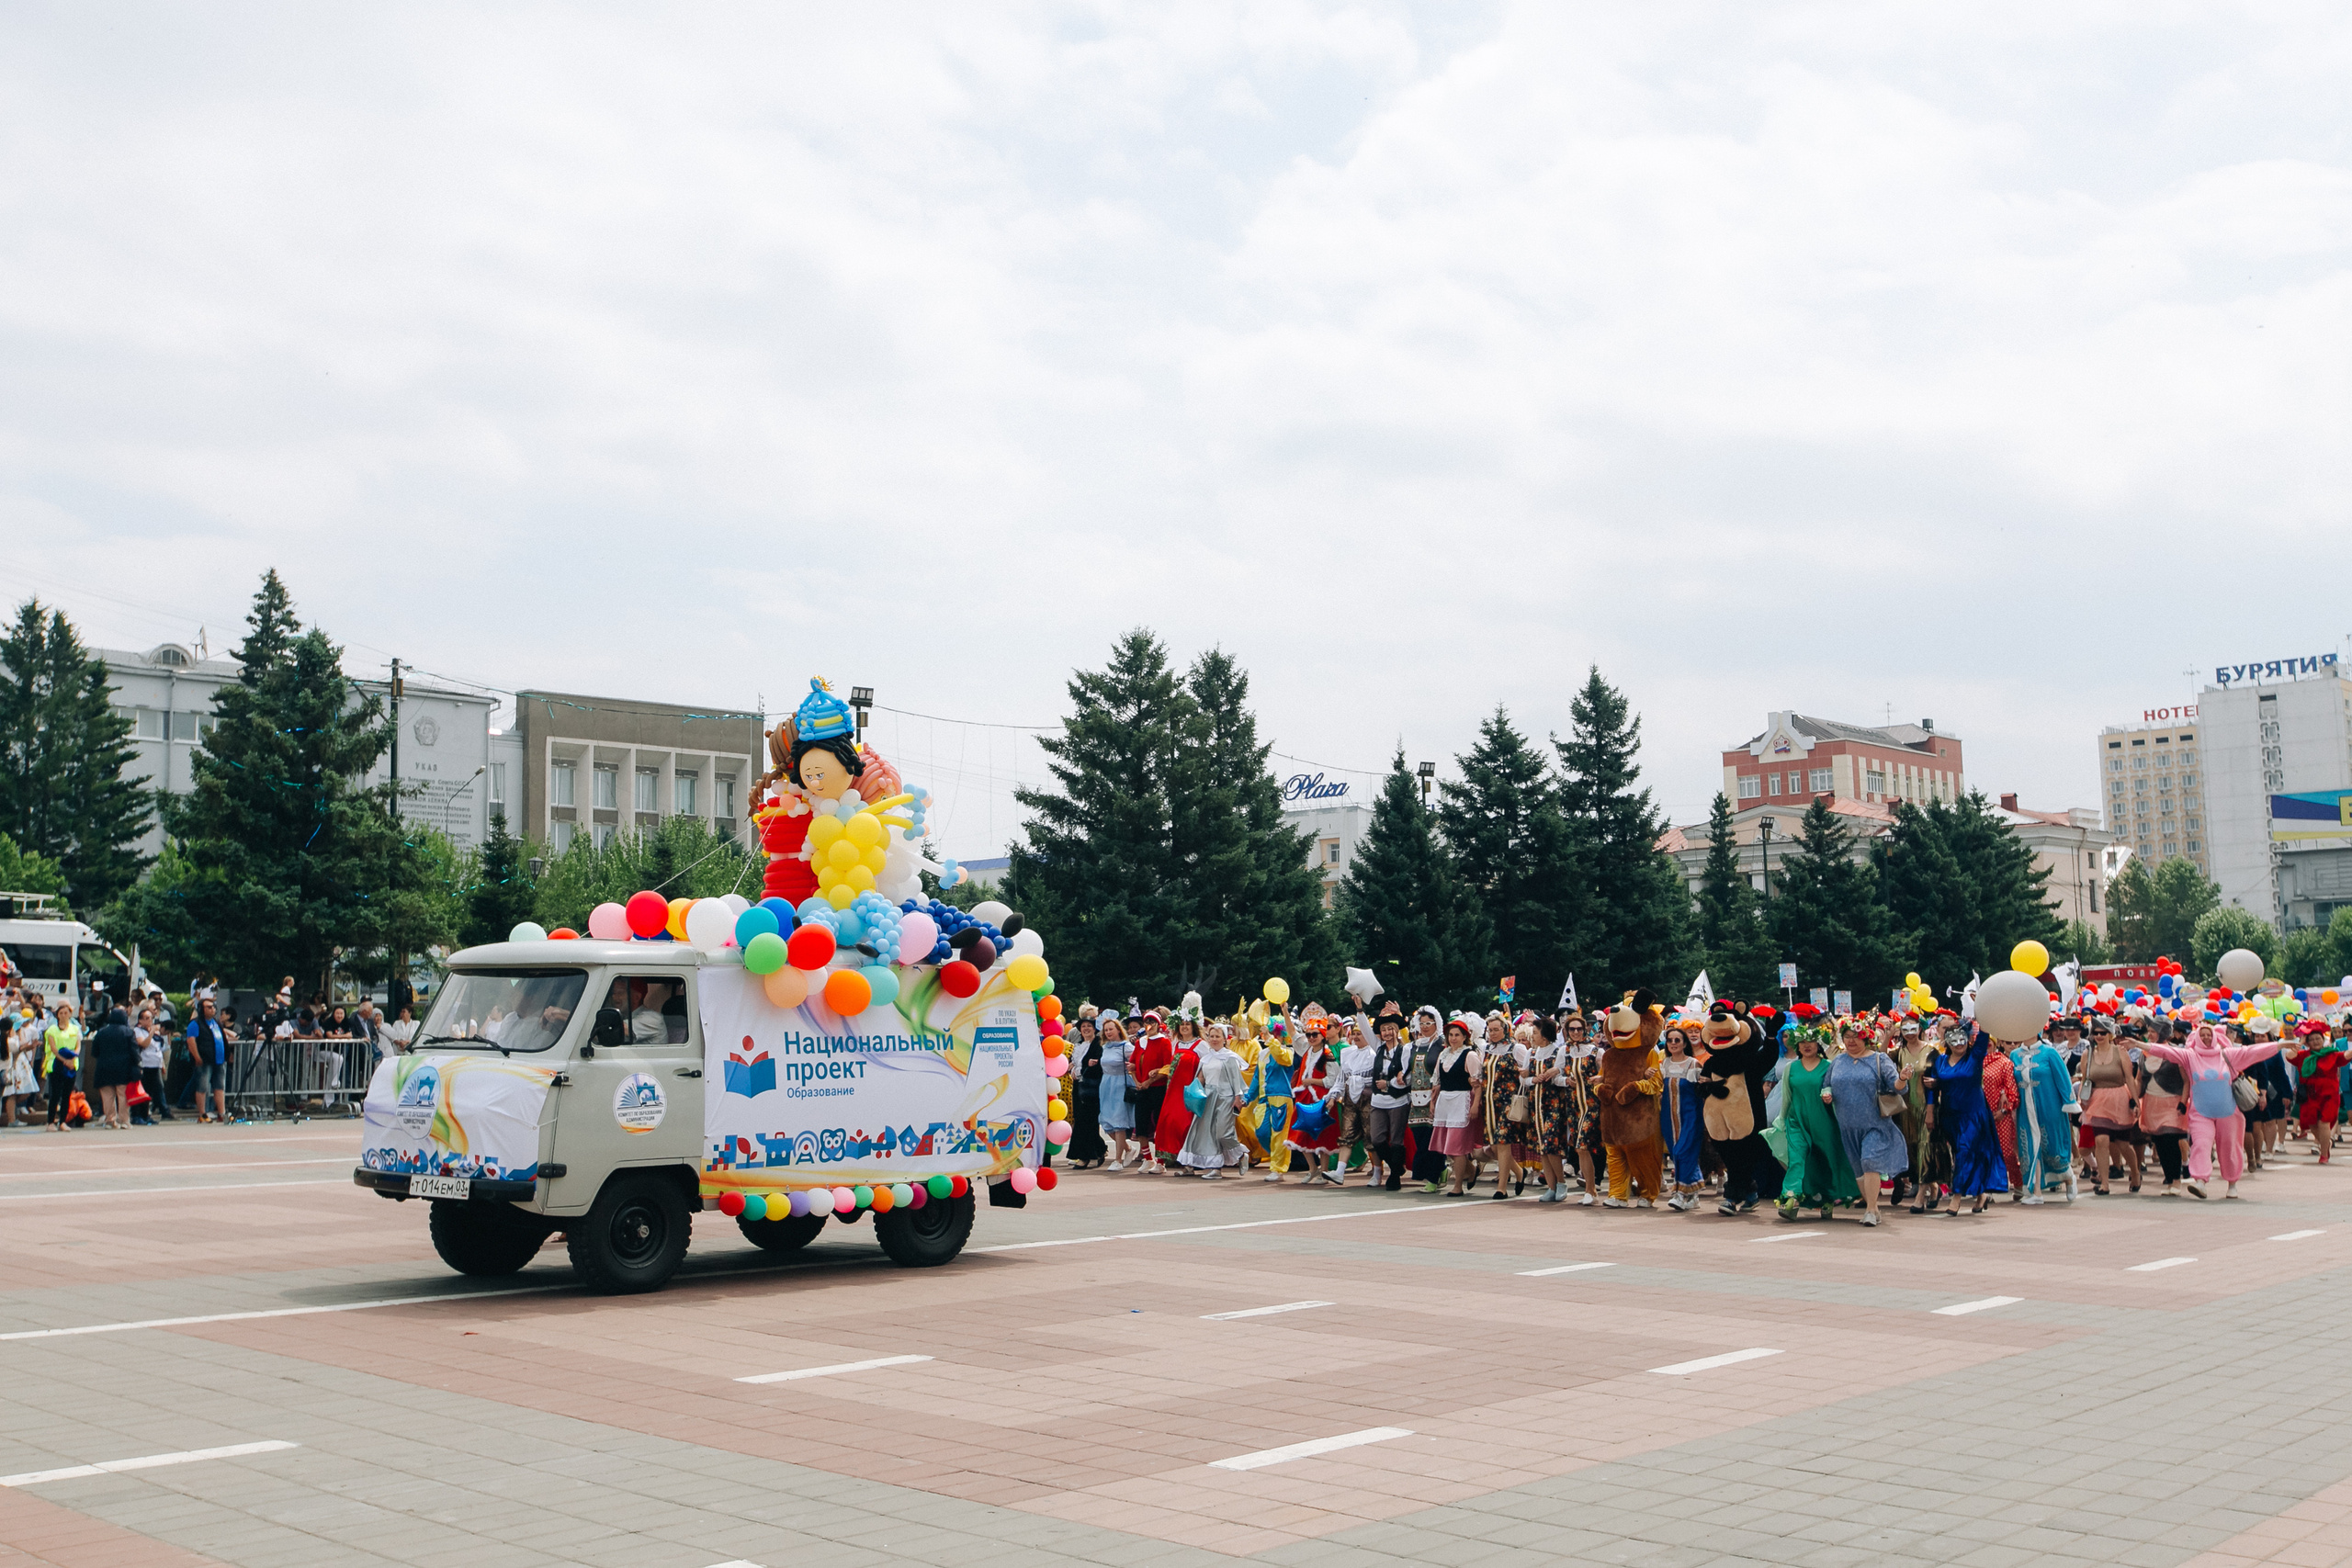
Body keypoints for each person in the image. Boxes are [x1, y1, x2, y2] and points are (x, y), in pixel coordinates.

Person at [2143, 1013, 2283, 1200]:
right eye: (2203, 1035)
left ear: (2215, 1037)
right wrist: (2139, 1044)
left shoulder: (2228, 1055)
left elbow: (2254, 1052)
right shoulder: (2189, 1056)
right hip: (2201, 1112)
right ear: (2197, 1038)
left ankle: (2232, 1183)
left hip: (2228, 1112)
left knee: (2230, 1147)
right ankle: (2200, 1181)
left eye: (2209, 1035)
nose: (2206, 1038)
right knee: (2201, 1144)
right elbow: (2166, 1052)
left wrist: (2282, 1045)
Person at [1826, 1020, 1907, 1226]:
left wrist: (1903, 1078)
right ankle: (1874, 1207)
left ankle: (1870, 1210)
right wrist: (1826, 1095)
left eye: (1856, 1036)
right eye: (1847, 1036)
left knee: (1869, 1161)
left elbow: (1897, 1087)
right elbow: (1826, 1085)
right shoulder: (1838, 1061)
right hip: (1847, 1126)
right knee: (1858, 1169)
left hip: (1875, 1124)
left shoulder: (1879, 1059)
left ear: (1867, 1037)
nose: (1851, 1041)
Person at [1775, 1021, 1856, 1221]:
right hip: (1797, 1122)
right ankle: (1791, 1200)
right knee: (1797, 1159)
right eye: (1802, 1042)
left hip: (1824, 1122)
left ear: (1819, 1044)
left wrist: (1830, 1096)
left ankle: (1827, 1200)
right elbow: (1787, 1096)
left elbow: (1838, 1094)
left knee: (1824, 1160)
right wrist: (1782, 1119)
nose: (1806, 1045)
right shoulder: (1790, 1068)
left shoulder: (1829, 1066)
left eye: (1811, 1041)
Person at [1926, 1028, 2010, 1215]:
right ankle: (1981, 1194)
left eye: (1962, 1039)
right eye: (1953, 1040)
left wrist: (1982, 1011)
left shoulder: (1974, 1056)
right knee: (1963, 1154)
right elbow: (1931, 1087)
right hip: (1950, 1115)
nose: (1958, 1044)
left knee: (1965, 1152)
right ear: (1946, 1042)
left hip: (1974, 1115)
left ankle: (1957, 1197)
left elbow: (1984, 1035)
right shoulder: (1939, 1061)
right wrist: (1930, 1110)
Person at [2010, 1031, 2076, 1205]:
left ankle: (2068, 1177)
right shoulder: (2014, 1055)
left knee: (2052, 1148)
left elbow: (2063, 1078)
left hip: (2050, 1107)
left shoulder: (2050, 1053)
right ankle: (2036, 1191)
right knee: (2030, 1147)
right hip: (2025, 1109)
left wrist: (2069, 1101)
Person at [2077, 1021, 2140, 1194]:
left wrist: (2135, 1101)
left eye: (2103, 1033)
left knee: (2123, 1144)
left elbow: (2129, 1078)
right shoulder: (2087, 1054)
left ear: (2110, 1034)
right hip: (2097, 1101)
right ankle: (2104, 1183)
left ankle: (2135, 1173)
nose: (2099, 1036)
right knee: (2101, 1140)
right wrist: (2081, 1098)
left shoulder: (2120, 1052)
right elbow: (2084, 1079)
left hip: (2119, 1099)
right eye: (2096, 1033)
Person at [1177, 1027, 1247, 1179]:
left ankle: (1241, 1154)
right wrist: (1193, 1092)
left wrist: (1237, 1098)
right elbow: (1201, 1078)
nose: (1214, 1039)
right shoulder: (1206, 1058)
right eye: (1211, 1036)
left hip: (1225, 1099)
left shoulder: (1230, 1058)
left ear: (1224, 1039)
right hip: (1208, 1098)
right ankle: (1209, 1167)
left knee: (1222, 1133)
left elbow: (1237, 1081)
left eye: (1217, 1036)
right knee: (1201, 1132)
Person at [1476, 1013, 1528, 1200]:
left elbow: (1526, 1074)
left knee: (1504, 1144)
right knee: (1495, 1146)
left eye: (1497, 1029)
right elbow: (1481, 1075)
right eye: (1490, 1030)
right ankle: (1519, 1172)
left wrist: (1525, 1073)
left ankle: (1502, 1187)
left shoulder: (1516, 1048)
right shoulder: (1486, 1049)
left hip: (1508, 1103)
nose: (1493, 1033)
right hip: (1489, 1104)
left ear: (1505, 1030)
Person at [1430, 1016, 1483, 1195]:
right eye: (1450, 1034)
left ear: (1464, 1037)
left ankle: (1458, 1186)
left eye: (1457, 1035)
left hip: (1462, 1101)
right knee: (1446, 1146)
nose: (1453, 1038)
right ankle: (1471, 1171)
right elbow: (1437, 1083)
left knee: (1457, 1147)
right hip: (1445, 1101)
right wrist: (1433, 1103)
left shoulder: (1470, 1055)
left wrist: (1475, 1105)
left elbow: (1478, 1084)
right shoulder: (1443, 1055)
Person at [1365, 1008, 1414, 1191]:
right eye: (1384, 1029)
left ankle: (1394, 1176)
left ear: (1397, 1030)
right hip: (1378, 1101)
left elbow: (1406, 1077)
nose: (1387, 1033)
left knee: (1396, 1140)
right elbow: (1365, 1028)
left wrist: (1389, 1084)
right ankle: (1396, 1167)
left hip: (1398, 1100)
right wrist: (1360, 1010)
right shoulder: (1377, 1048)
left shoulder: (1405, 1050)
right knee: (1377, 1139)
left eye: (1390, 1029)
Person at [1658, 1024, 1706, 1212]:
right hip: (1668, 1117)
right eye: (1670, 1040)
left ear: (1684, 1042)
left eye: (1677, 1040)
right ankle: (1692, 1195)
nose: (1673, 1043)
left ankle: (1680, 1193)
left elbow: (1700, 1092)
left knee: (1683, 1151)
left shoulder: (1693, 1064)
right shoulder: (1665, 1064)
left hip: (1690, 1115)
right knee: (1675, 1152)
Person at [1527, 1015, 1574, 1203]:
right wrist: (1532, 1079)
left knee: (1552, 1145)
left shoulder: (1559, 1052)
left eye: (1536, 1033)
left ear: (1545, 1035)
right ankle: (1551, 1187)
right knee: (1542, 1147)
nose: (1533, 1036)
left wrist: (1554, 1076)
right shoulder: (1531, 1053)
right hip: (1535, 1104)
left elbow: (1563, 1075)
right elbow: (1524, 1078)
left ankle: (1561, 1182)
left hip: (1554, 1103)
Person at [2290, 1021, 2344, 1165]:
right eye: (2311, 1039)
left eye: (2318, 1039)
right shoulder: (2304, 1055)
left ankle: (2324, 1154)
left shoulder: (2332, 1054)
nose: (2315, 1042)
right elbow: (2290, 1056)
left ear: (2323, 1039)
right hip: (2310, 1095)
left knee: (2324, 1123)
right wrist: (2301, 1041)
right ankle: (2325, 1144)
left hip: (2329, 1095)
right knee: (2312, 1124)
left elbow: (2347, 1056)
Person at [1128, 1011, 1174, 1175]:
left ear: (1158, 1025)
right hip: (1142, 1089)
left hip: (1157, 1088)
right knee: (1140, 1123)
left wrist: (1150, 1081)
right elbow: (1132, 1064)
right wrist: (1137, 1082)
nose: (1149, 1026)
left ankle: (1161, 1161)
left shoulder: (1164, 1042)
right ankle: (1148, 1158)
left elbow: (1168, 1066)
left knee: (1158, 1124)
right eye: (1146, 1022)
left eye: (1152, 1022)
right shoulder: (1140, 1042)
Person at [88, 1005, 140, 1130]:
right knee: (123, 1095)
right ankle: (124, 1121)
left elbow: (95, 1052)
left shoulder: (102, 1032)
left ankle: (110, 1120)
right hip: (123, 1068)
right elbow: (134, 1051)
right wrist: (137, 1063)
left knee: (107, 1096)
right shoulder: (128, 1032)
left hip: (104, 1068)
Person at [1066, 1016, 1106, 1168]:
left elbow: (1097, 1066)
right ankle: (1100, 1150)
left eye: (1089, 1026)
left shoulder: (1098, 1044)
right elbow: (1072, 1065)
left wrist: (1082, 1069)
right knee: (1081, 1120)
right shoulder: (1078, 1045)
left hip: (1092, 1088)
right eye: (1084, 1026)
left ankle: (1084, 1156)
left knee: (1086, 1121)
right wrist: (1073, 1069)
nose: (1086, 1029)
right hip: (1078, 1087)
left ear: (1094, 1028)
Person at [186, 996, 232, 1125]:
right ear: (202, 1009)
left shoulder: (216, 1023)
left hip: (219, 1060)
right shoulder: (195, 1024)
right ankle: (202, 1113)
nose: (213, 1010)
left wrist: (226, 1054)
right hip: (205, 1060)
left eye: (213, 1007)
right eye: (209, 1007)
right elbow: (191, 1041)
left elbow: (222, 1039)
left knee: (219, 1086)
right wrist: (197, 1057)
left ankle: (221, 1113)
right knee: (203, 1087)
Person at [41, 1000, 82, 1131]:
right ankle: (50, 1122)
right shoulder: (52, 1030)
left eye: (66, 1013)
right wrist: (64, 1060)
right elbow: (53, 1048)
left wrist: (73, 1057)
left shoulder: (75, 1029)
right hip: (56, 1064)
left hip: (71, 1065)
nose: (64, 1015)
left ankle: (63, 1121)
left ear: (70, 1014)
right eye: (61, 1013)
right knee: (55, 1094)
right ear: (57, 1015)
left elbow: (78, 1046)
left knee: (67, 1095)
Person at [132, 1002, 168, 1123]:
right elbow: (144, 1044)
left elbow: (158, 1049)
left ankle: (146, 1114)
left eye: (151, 1018)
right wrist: (152, 1032)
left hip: (155, 1065)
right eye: (146, 1018)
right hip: (145, 1065)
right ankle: (138, 1115)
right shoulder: (138, 1031)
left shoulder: (155, 1033)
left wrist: (162, 1064)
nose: (149, 1021)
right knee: (143, 1091)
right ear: (140, 1021)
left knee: (152, 1091)